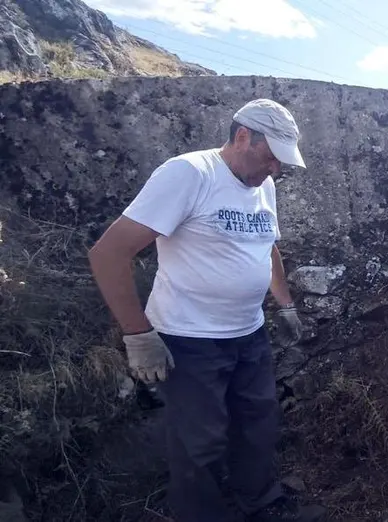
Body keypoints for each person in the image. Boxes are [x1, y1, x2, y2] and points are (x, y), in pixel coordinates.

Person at [88, 99, 324, 522]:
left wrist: (284, 304)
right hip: (189, 340)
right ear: (242, 137)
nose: (275, 170)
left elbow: (266, 246)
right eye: (270, 157)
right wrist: (137, 334)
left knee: (257, 426)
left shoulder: (261, 185)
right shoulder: (189, 174)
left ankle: (261, 503)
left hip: (248, 335)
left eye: (280, 163)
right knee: (200, 445)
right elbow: (108, 253)